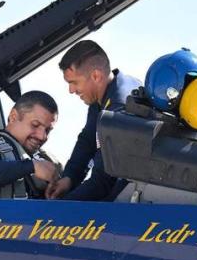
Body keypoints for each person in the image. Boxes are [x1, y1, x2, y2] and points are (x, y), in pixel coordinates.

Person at [46, 40, 141, 201]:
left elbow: (102, 182)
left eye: (74, 82)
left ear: (96, 76)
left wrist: (59, 209)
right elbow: (88, 140)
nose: (71, 90)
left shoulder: (119, 112)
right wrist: (69, 178)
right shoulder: (105, 95)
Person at [0, 90, 60, 199]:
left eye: (47, 130)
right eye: (35, 125)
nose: (42, 136)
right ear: (13, 117)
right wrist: (31, 167)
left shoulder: (45, 159)